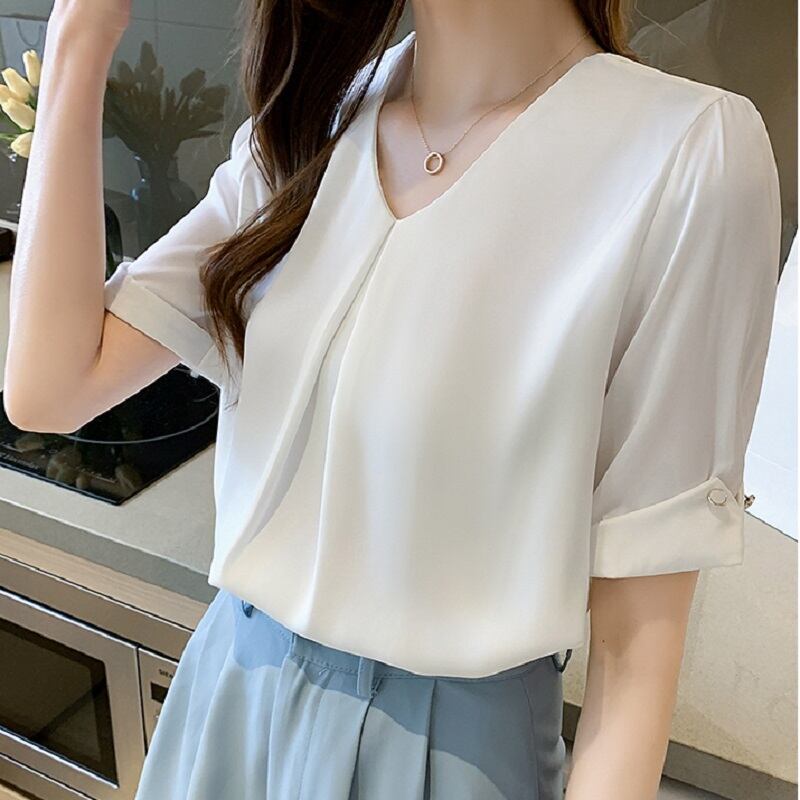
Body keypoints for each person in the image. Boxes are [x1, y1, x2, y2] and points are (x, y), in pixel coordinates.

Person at [5, 0, 782, 797]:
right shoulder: (315, 119)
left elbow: (635, 661)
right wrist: (79, 35)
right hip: (224, 707)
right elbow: (50, 387)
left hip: (446, 760)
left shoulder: (687, 156)